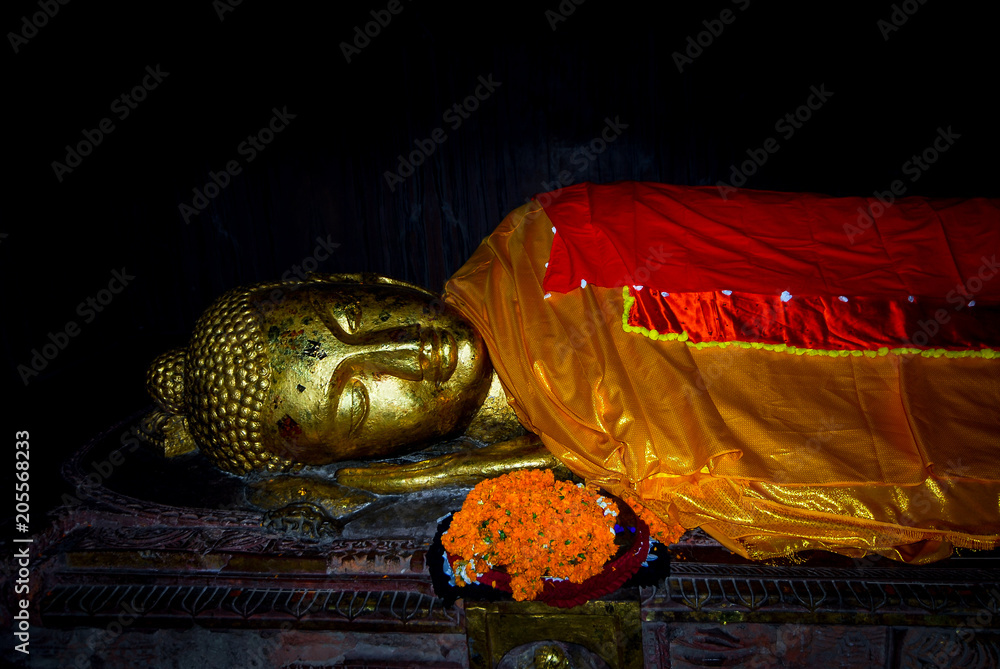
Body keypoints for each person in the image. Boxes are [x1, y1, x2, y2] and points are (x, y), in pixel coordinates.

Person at [144, 181, 1000, 563]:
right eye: (362, 396)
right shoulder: (521, 414)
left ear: (378, 282)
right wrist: (386, 491)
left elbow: (823, 249)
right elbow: (580, 450)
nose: (408, 352)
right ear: (363, 448)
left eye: (359, 321)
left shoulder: (556, 237)